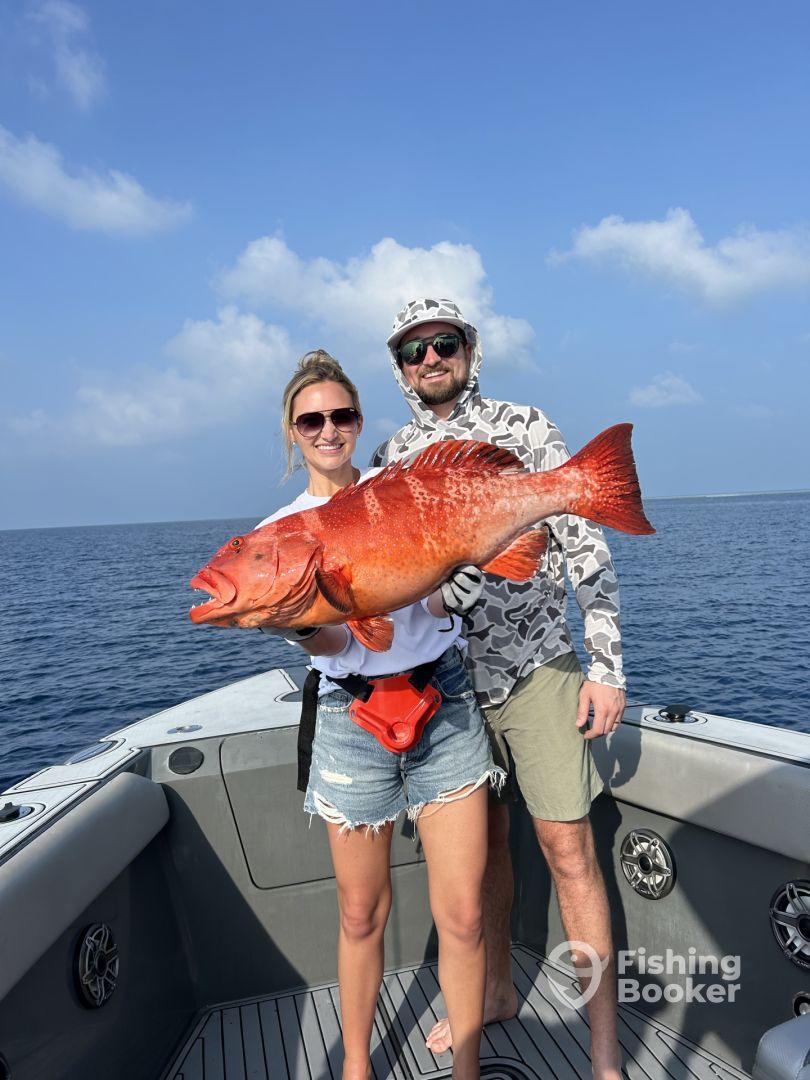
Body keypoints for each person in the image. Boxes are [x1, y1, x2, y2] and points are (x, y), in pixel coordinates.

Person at [371, 300, 626, 1080]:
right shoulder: (391, 455)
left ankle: (607, 1051)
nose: (430, 359)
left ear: (470, 351)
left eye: (443, 343)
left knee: (568, 849)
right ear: (400, 367)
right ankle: (495, 995)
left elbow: (583, 532)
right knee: (479, 859)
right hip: (446, 685)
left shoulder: (525, 424)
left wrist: (606, 663)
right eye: (414, 350)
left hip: (538, 667)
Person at [256, 350, 505, 1080]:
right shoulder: (284, 531)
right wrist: (296, 624)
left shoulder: (403, 490)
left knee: (461, 914)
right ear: (292, 431)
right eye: (312, 419)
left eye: (342, 415)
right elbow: (338, 638)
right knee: (361, 913)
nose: (329, 429)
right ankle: (357, 1066)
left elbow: (425, 603)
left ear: (360, 422)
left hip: (445, 705)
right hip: (351, 721)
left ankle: (466, 1069)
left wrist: (451, 593)